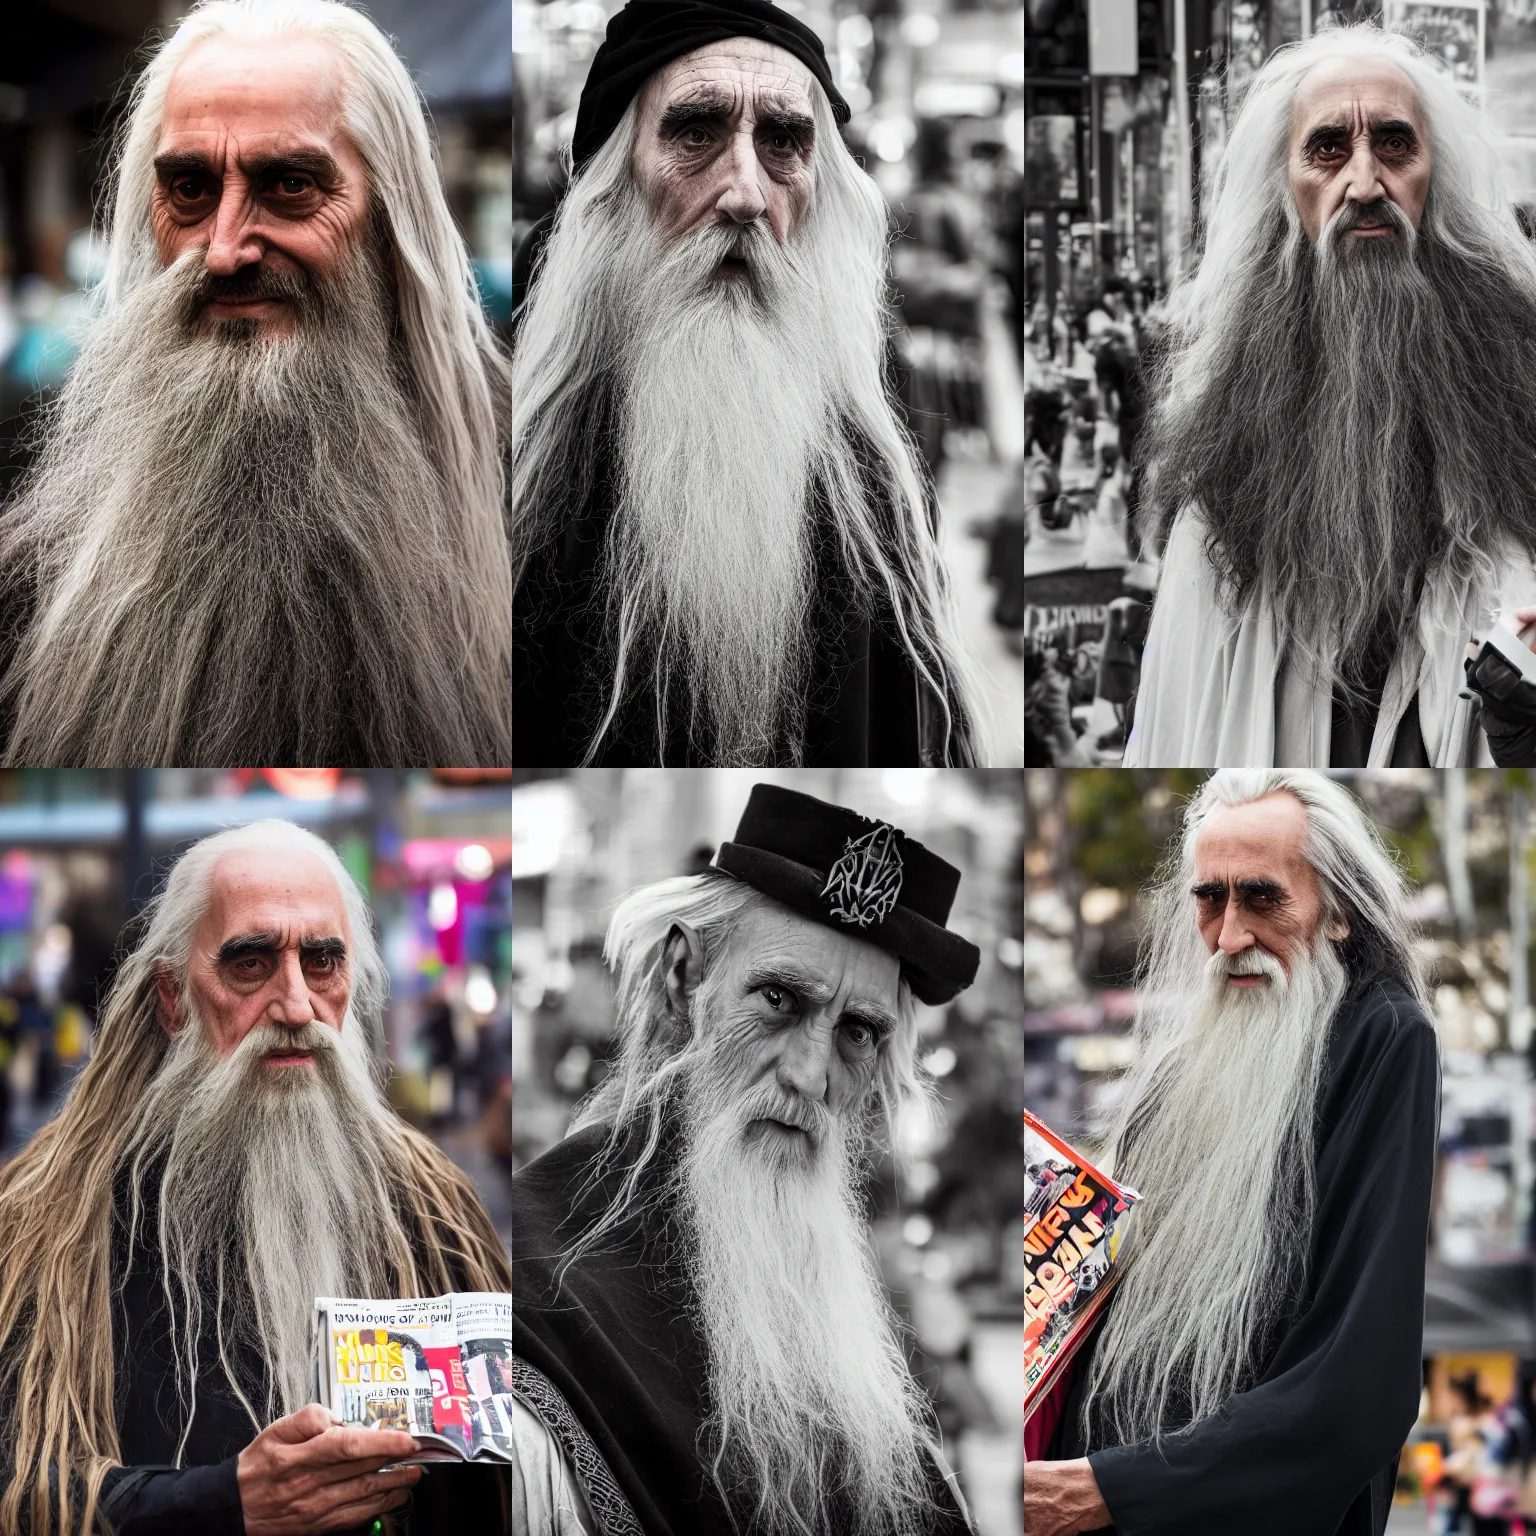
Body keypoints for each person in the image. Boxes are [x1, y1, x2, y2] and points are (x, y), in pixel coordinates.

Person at [0, 0, 511, 766]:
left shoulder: (525, 491)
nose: (226, 249)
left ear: (388, 214)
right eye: (192, 191)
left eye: (292, 185)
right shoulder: (33, 528)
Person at [0, 819, 512, 1535]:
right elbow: (19, 1482)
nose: (297, 1006)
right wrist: (226, 1503)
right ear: (173, 998)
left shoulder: (431, 1207)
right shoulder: (46, 1221)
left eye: (323, 962)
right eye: (250, 963)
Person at [511, 0, 979, 768]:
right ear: (614, 182)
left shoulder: (873, 430)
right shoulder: (517, 428)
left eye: (784, 141)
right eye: (695, 133)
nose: (745, 194)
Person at [511, 784, 981, 1533]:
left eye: (857, 1033)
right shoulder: (524, 1279)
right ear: (681, 981)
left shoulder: (847, 1305)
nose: (810, 1074)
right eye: (777, 1000)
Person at [1026, 771, 1439, 1536]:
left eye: (1262, 897)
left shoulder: (1386, 1037)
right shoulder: (1180, 1071)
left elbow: (1358, 1384)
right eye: (1210, 900)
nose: (1231, 936)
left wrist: (1113, 1489)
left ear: (1339, 911)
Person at [1124, 25, 1536, 767]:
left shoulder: (1519, 419)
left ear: (1433, 177)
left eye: (1394, 143)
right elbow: (1177, 729)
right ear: (1287, 192)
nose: (1366, 183)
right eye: (1328, 149)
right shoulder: (1220, 476)